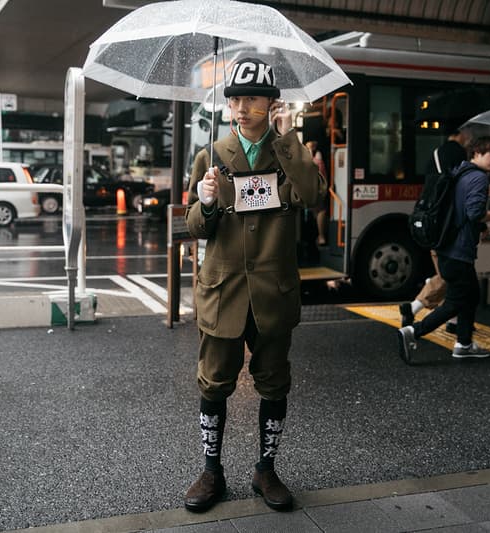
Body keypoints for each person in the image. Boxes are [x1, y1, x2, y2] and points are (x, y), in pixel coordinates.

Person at [183, 57, 327, 513]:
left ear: (271, 104)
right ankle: (212, 470)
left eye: (251, 99)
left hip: (272, 293)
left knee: (274, 384)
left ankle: (266, 469)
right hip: (223, 293)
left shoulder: (286, 153)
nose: (240, 108)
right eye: (234, 99)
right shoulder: (210, 155)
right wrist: (204, 203)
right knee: (213, 384)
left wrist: (287, 140)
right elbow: (194, 226)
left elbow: (314, 196)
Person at [397, 136, 490, 362]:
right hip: (458, 251)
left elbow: (460, 211)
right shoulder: (479, 178)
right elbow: (474, 212)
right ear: (477, 153)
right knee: (456, 301)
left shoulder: (460, 172)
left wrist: (479, 226)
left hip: (447, 248)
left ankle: (463, 344)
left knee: (471, 296)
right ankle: (413, 332)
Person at [400, 126, 472, 332]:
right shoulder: (458, 153)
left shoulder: (435, 153)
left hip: (433, 222)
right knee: (453, 276)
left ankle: (453, 322)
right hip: (448, 227)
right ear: (462, 132)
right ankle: (414, 315)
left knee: (450, 275)